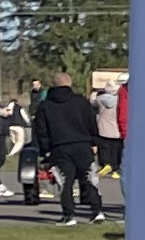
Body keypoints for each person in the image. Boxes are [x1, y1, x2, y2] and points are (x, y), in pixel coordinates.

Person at [33, 70, 105, 224]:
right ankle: (97, 211)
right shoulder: (81, 102)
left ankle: (69, 215)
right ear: (70, 84)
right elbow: (92, 122)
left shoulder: (45, 106)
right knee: (88, 179)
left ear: (53, 85)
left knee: (66, 182)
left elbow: (41, 130)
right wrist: (94, 142)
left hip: (59, 147)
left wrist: (45, 151)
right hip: (82, 144)